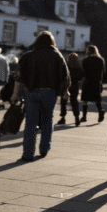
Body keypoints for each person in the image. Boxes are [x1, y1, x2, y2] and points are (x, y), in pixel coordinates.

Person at [11, 31, 70, 161]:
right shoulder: (57, 56)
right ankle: (44, 149)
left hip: (31, 92)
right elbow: (65, 76)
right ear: (51, 42)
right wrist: (66, 91)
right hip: (50, 92)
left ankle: (28, 154)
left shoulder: (28, 56)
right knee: (47, 121)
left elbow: (18, 77)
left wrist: (15, 94)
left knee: (30, 123)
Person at [57, 53, 84, 127]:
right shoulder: (79, 67)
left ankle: (63, 118)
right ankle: (77, 118)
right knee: (74, 102)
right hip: (75, 85)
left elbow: (61, 76)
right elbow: (81, 77)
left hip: (66, 86)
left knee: (63, 102)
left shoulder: (66, 67)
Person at [80, 45, 106, 123]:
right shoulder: (101, 60)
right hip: (97, 82)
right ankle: (100, 111)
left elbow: (83, 73)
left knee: (85, 99)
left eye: (87, 50)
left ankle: (84, 117)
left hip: (87, 81)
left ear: (89, 51)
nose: (86, 51)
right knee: (97, 99)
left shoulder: (85, 60)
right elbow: (103, 71)